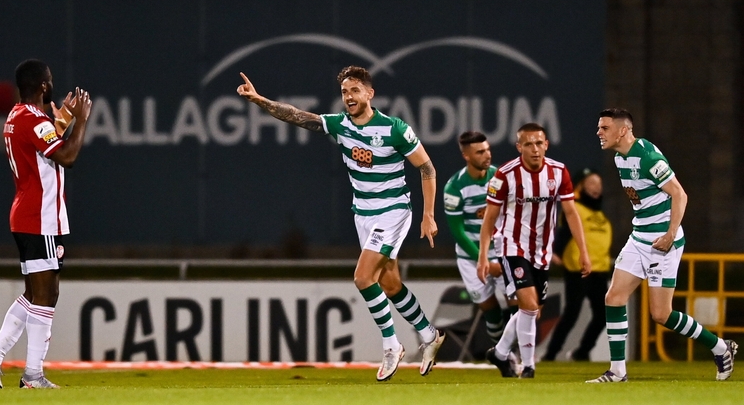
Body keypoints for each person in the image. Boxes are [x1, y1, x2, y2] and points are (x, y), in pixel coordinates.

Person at [237, 66, 445, 381]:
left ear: (370, 93)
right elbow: (296, 115)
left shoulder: (394, 129)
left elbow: (427, 169)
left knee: (363, 278)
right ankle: (430, 335)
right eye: (345, 91)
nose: (349, 96)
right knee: (389, 284)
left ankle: (392, 345)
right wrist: (259, 100)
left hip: (393, 211)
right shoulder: (340, 125)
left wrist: (428, 215)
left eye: (355, 90)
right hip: (363, 214)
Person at [588, 108, 737, 383]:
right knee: (614, 298)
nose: (599, 132)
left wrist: (669, 235)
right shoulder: (620, 157)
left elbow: (680, 194)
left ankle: (719, 347)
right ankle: (617, 371)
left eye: (604, 128)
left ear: (623, 130)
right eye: (599, 127)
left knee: (661, 314)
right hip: (639, 238)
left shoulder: (648, 157)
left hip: (662, 243)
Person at [0, 59, 92, 389]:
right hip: (41, 218)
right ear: (42, 86)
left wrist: (63, 119)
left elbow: (44, 141)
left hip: (26, 214)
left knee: (33, 293)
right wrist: (81, 121)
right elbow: (66, 156)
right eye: (49, 80)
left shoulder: (16, 116)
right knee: (46, 295)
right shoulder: (34, 120)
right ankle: (33, 375)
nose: (52, 85)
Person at [478, 123, 591, 379]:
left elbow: (571, 213)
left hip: (541, 250)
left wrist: (583, 251)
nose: (535, 149)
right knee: (529, 305)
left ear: (546, 145)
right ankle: (528, 367)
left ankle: (500, 353)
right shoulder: (504, 175)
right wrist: (483, 255)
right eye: (528, 144)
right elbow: (490, 218)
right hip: (511, 245)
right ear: (519, 147)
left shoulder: (559, 172)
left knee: (532, 311)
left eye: (539, 143)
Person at [443, 131, 512, 347]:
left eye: (487, 150)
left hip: (501, 252)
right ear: (466, 156)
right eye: (480, 152)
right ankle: (502, 354)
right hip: (471, 257)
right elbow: (458, 232)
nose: (487, 155)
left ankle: (518, 353)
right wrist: (485, 262)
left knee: (518, 304)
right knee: (491, 311)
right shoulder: (455, 188)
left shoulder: (500, 178)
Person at [542, 168, 612, 361]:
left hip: (599, 270)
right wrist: (555, 251)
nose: (597, 187)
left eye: (599, 183)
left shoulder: (600, 214)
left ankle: (582, 352)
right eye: (591, 183)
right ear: (581, 186)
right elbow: (565, 231)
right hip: (578, 269)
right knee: (572, 313)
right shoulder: (574, 208)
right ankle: (550, 354)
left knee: (603, 315)